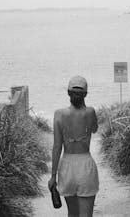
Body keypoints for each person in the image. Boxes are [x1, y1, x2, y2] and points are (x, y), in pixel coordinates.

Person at [48, 75, 99, 217]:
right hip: (85, 165)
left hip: (67, 166)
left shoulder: (59, 114)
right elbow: (94, 129)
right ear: (85, 94)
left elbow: (57, 147)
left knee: (72, 213)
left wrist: (53, 176)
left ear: (68, 93)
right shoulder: (90, 112)